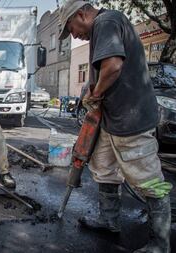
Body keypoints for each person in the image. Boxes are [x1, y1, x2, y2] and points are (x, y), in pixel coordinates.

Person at [59, 1, 172, 252]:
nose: (75, 35)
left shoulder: (106, 22)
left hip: (130, 117)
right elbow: (104, 70)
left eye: (72, 28)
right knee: (104, 169)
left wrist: (95, 93)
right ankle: (108, 220)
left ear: (81, 14)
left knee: (148, 180)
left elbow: (113, 66)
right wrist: (92, 87)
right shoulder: (102, 26)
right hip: (111, 119)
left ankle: (159, 244)